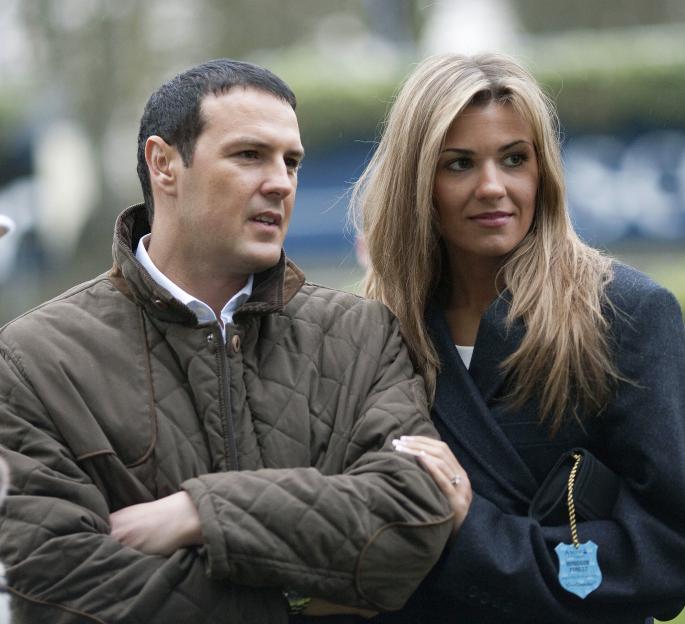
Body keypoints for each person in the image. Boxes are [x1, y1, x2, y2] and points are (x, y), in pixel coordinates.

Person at [0, 59, 454, 623]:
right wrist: (304, 598)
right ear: (164, 164)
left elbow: (409, 520)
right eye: (249, 155)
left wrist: (200, 513)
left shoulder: (363, 334)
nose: (280, 182)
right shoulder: (34, 359)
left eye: (291, 161)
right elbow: (54, 584)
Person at [352, 53, 685, 623]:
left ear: (542, 172)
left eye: (514, 159)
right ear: (416, 182)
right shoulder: (373, 330)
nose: (492, 187)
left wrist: (474, 532)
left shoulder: (627, 314)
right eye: (458, 164)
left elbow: (668, 556)